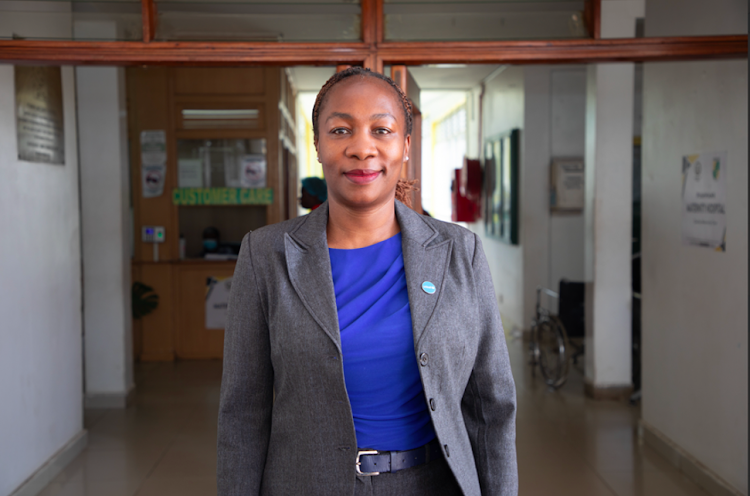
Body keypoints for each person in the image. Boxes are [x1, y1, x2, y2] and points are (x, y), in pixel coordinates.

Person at [217, 67, 517, 496]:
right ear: (318, 145)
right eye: (340, 130)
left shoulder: (459, 252)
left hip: (432, 483)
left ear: (405, 146)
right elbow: (242, 414)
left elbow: (492, 406)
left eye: (382, 129)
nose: (362, 148)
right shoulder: (265, 255)